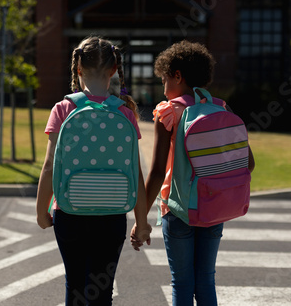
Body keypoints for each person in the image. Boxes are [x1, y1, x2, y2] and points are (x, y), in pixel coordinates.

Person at [36, 36, 152, 306]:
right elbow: (136, 174)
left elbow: (50, 165)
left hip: (69, 212)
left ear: (78, 68)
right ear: (114, 70)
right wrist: (142, 222)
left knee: (75, 285)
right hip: (111, 215)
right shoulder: (124, 113)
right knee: (101, 291)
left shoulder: (64, 108)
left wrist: (42, 210)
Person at [137, 40, 255, 306]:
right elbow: (248, 164)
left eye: (164, 79)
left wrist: (140, 217)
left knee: (182, 282)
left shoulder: (169, 112)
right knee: (205, 280)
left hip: (179, 211)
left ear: (178, 75)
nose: (163, 87)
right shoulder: (223, 109)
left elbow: (156, 172)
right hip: (215, 208)